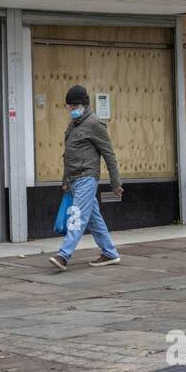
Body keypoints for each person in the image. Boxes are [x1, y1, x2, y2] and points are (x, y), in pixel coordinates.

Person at [49, 84, 123, 270]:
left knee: (77, 216)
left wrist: (116, 181)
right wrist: (66, 181)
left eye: (73, 107)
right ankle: (110, 253)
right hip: (74, 179)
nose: (71, 110)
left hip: (86, 177)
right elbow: (69, 155)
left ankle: (63, 255)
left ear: (83, 104)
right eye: (69, 107)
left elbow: (108, 153)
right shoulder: (74, 125)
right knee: (93, 218)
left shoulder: (95, 124)